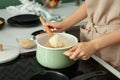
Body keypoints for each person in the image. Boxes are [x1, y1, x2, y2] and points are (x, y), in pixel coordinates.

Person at [44, 0, 120, 71]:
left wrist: (94, 45)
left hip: (114, 47)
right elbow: (92, 3)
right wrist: (64, 24)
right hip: (89, 42)